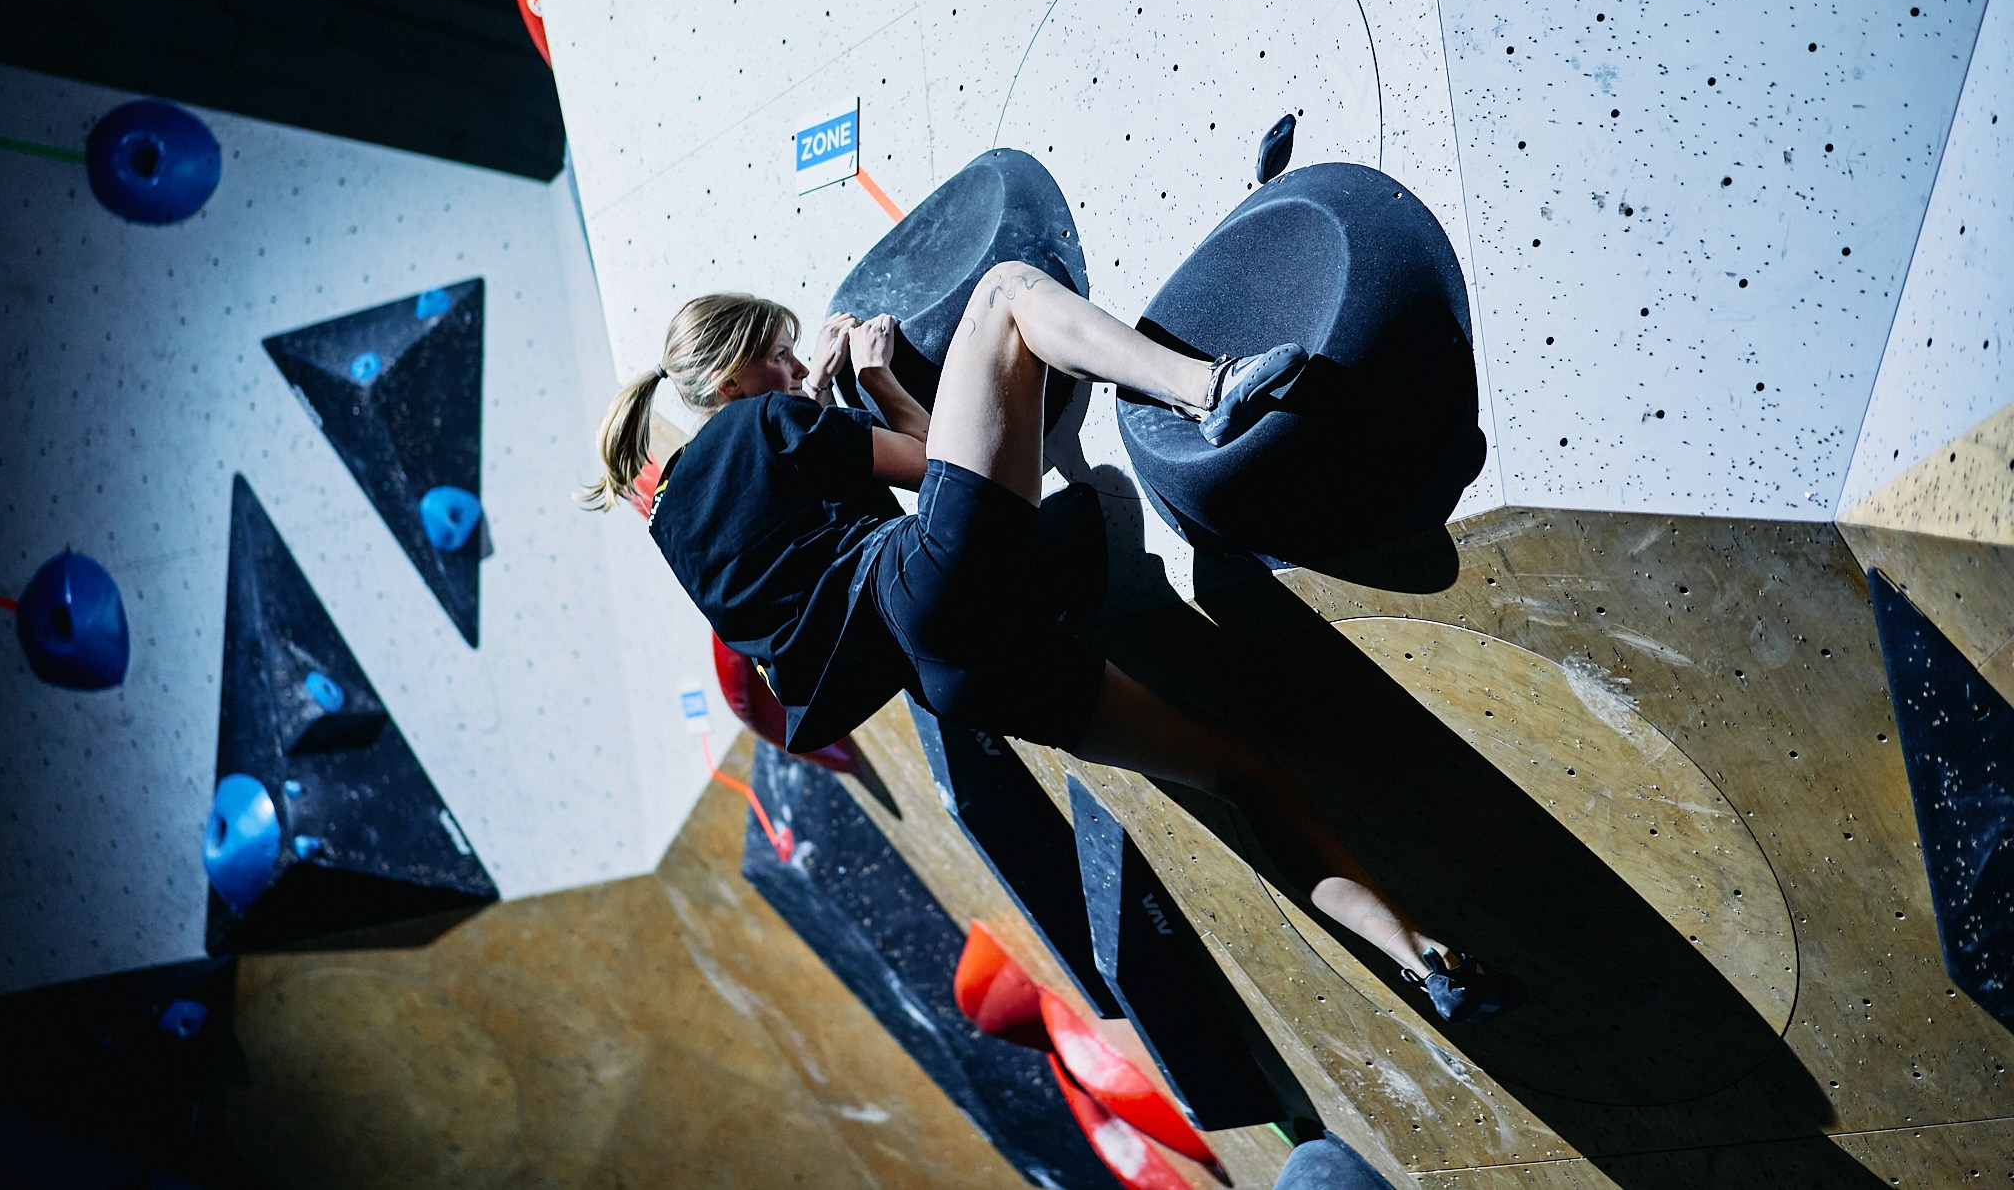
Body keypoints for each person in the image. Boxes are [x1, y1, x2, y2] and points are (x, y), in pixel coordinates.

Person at [582, 267, 1522, 1022]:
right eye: (780, 360)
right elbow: (928, 461)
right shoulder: (765, 421)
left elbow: (804, 559)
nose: (793, 373)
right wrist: (873, 384)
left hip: (956, 680)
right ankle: (1212, 388)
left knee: (1241, 774)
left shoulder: (675, 533)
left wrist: (822, 416)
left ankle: (1423, 960)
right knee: (1002, 292)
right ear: (730, 380)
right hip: (932, 583)